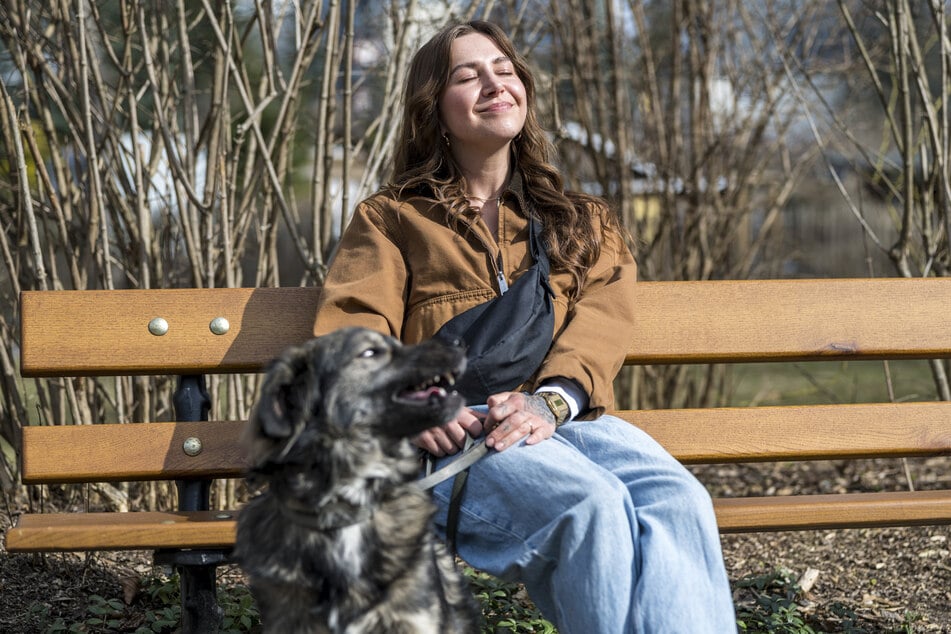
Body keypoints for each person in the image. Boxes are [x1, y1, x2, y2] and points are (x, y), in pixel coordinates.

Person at [312, 20, 736, 633]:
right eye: (467, 75)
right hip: (452, 435)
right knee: (589, 508)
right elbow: (352, 331)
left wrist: (551, 400)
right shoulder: (392, 218)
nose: (493, 83)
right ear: (433, 107)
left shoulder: (581, 222)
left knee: (681, 501)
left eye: (504, 70)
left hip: (559, 416)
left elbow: (601, 325)